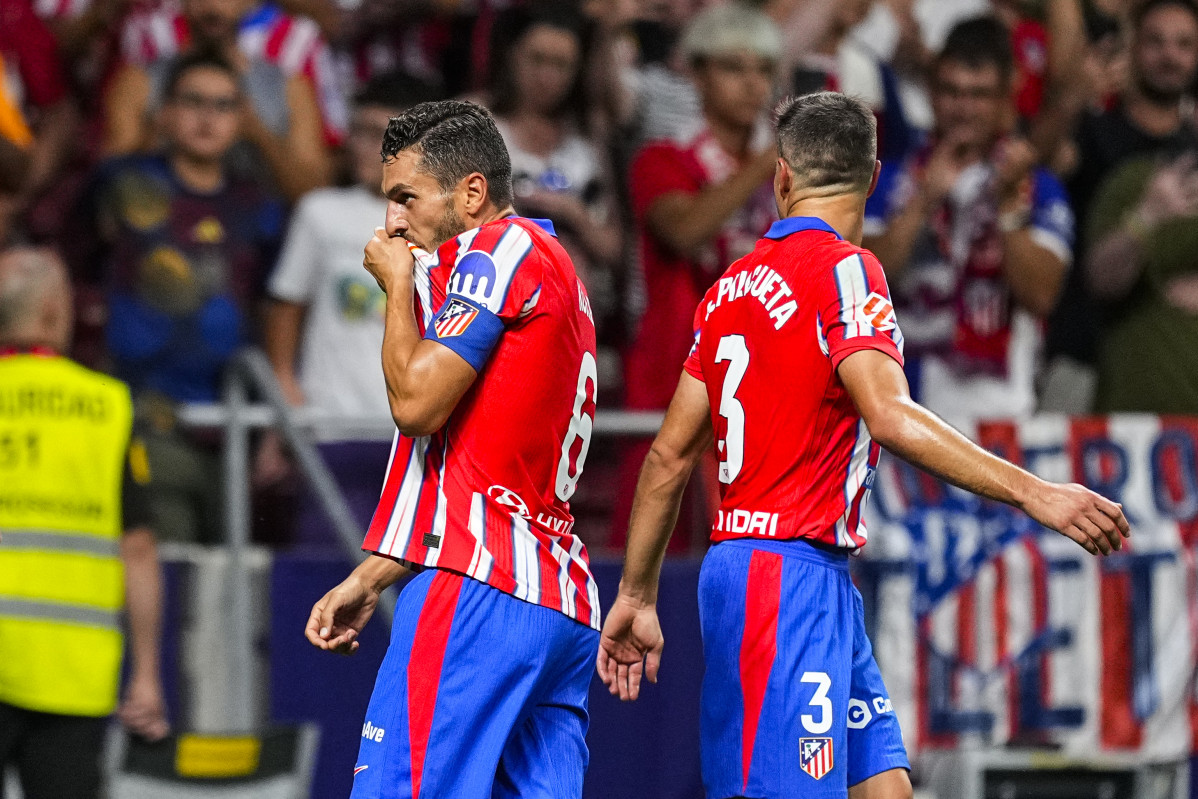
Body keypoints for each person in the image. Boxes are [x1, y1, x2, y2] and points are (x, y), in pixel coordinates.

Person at [597, 92, 1130, 799]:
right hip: (789, 578)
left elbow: (668, 454)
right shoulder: (848, 269)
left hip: (777, 573)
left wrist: (636, 591)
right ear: (873, 178)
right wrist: (1036, 491)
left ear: (781, 177)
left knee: (886, 788)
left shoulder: (728, 289)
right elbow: (889, 413)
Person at [304, 100, 602, 798]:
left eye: (406, 198)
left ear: (471, 193)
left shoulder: (497, 250)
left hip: (481, 590)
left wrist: (399, 287)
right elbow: (469, 449)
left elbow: (416, 406)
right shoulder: (552, 263)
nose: (392, 223)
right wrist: (375, 574)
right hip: (556, 598)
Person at [70, 49, 283, 543]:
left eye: (224, 105)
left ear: (243, 118)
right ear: (163, 111)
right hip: (146, 414)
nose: (208, 118)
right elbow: (72, 262)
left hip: (234, 423)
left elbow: (273, 308)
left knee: (228, 582)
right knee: (168, 568)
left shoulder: (260, 205)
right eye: (193, 101)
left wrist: (272, 422)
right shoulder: (120, 184)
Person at [0, 246, 168, 799]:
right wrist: (145, 674)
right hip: (72, 676)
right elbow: (137, 549)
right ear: (52, 312)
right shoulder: (108, 405)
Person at [617, 1, 780, 551]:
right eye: (734, 67)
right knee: (657, 554)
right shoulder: (661, 158)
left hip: (767, 385)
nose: (752, 84)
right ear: (697, 71)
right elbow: (684, 231)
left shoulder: (788, 171)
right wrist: (765, 164)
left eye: (763, 69)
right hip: (674, 378)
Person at [259, 71, 441, 546]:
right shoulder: (320, 213)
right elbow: (284, 308)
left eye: (385, 137)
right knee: (323, 587)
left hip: (415, 441)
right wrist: (286, 397)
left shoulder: (448, 229)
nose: (369, 148)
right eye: (361, 132)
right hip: (330, 432)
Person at [863, 17, 1073, 425]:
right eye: (952, 91)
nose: (963, 107)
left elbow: (1042, 295)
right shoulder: (889, 177)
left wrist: (1010, 211)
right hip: (899, 408)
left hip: (996, 413)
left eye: (979, 94)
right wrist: (924, 202)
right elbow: (860, 281)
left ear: (1004, 100)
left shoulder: (1035, 185)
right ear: (932, 93)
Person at [1044, 0, 1198, 411]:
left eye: (1184, 44)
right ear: (1132, 50)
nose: (1170, 55)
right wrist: (1073, 96)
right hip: (1081, 352)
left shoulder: (1192, 151)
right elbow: (1041, 163)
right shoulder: (1093, 132)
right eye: (1156, 42)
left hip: (1169, 364)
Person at [102, 0, 338, 200]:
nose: (213, 6)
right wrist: (162, 128)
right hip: (159, 227)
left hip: (258, 237)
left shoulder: (289, 88)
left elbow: (315, 193)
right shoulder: (140, 81)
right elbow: (107, 180)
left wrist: (259, 134)